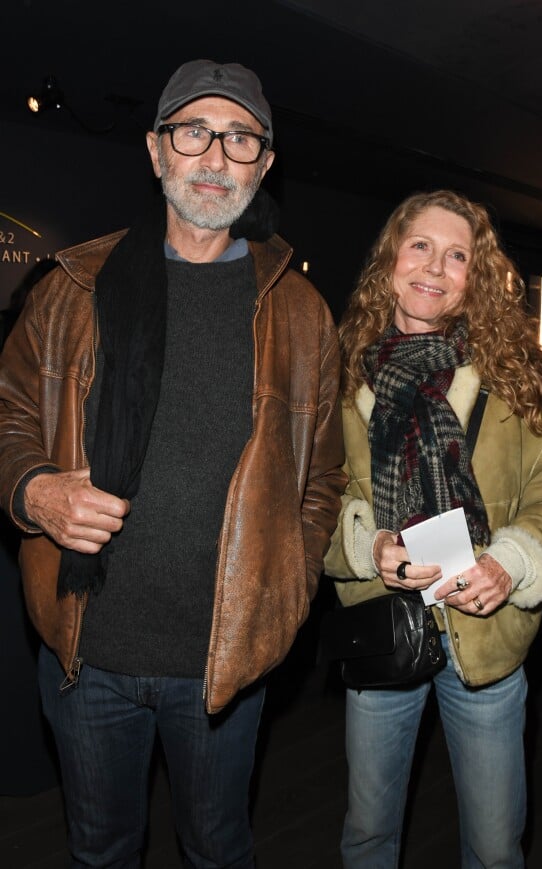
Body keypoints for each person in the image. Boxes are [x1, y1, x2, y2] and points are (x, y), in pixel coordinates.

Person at [0, 59, 346, 868]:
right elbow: (9, 412)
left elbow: (322, 478)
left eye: (240, 139)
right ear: (157, 152)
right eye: (194, 133)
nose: (216, 156)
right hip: (87, 651)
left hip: (224, 662)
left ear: (263, 165)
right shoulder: (71, 288)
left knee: (219, 849)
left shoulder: (301, 312)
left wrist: (288, 589)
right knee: (100, 850)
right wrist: (32, 489)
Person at [324, 189, 542, 868]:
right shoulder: (344, 376)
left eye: (457, 255)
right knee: (369, 834)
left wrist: (510, 563)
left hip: (487, 645)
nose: (435, 267)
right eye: (420, 246)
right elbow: (315, 497)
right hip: (386, 629)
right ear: (389, 259)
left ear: (475, 280)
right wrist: (367, 543)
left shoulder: (511, 377)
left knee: (496, 848)